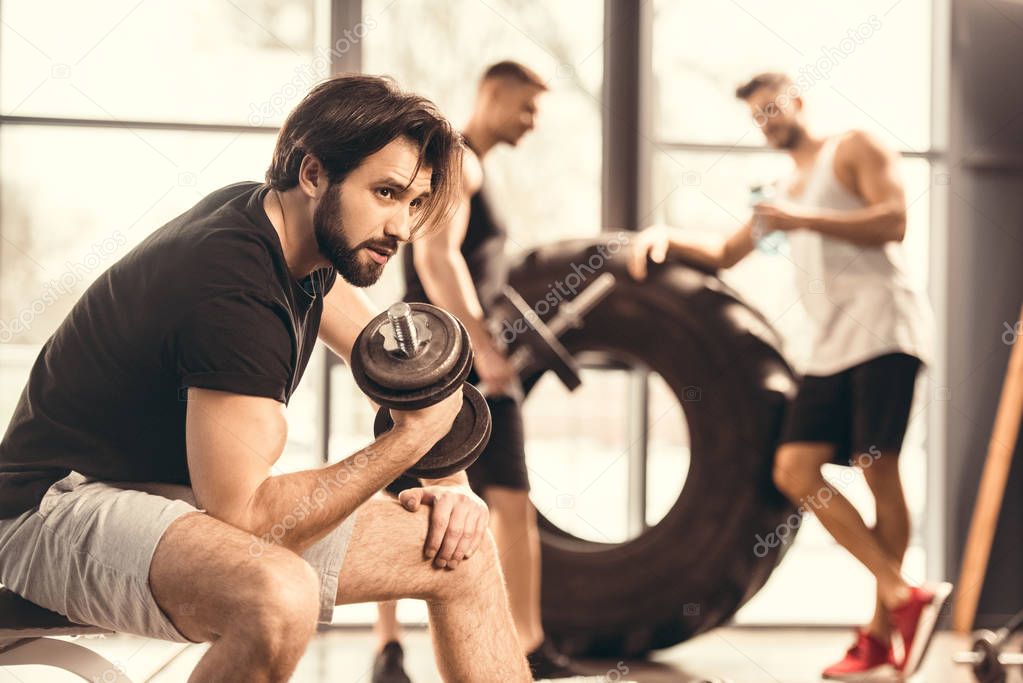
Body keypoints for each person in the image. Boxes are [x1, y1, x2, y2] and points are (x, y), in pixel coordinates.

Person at [0, 75, 533, 683]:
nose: (403, 229)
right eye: (385, 194)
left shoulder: (292, 234)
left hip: (152, 495)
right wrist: (408, 443)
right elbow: (247, 515)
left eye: (414, 204)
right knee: (278, 596)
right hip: (47, 510)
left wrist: (451, 484)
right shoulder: (232, 282)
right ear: (313, 174)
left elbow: (390, 361)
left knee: (459, 550)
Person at [627, 72, 952, 680]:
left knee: (878, 467)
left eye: (772, 107)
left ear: (799, 101)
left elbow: (892, 223)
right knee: (794, 470)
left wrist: (800, 218)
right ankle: (903, 593)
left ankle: (881, 634)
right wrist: (665, 236)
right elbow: (726, 254)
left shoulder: (853, 147)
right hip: (829, 347)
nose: (767, 121)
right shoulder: (783, 189)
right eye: (757, 115)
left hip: (886, 330)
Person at [372, 61, 582, 682]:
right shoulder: (464, 159)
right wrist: (484, 349)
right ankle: (527, 646)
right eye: (526, 107)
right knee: (509, 502)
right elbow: (437, 258)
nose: (531, 122)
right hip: (456, 361)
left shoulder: (450, 164)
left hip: (418, 355)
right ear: (491, 93)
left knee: (399, 494)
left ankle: (390, 651)